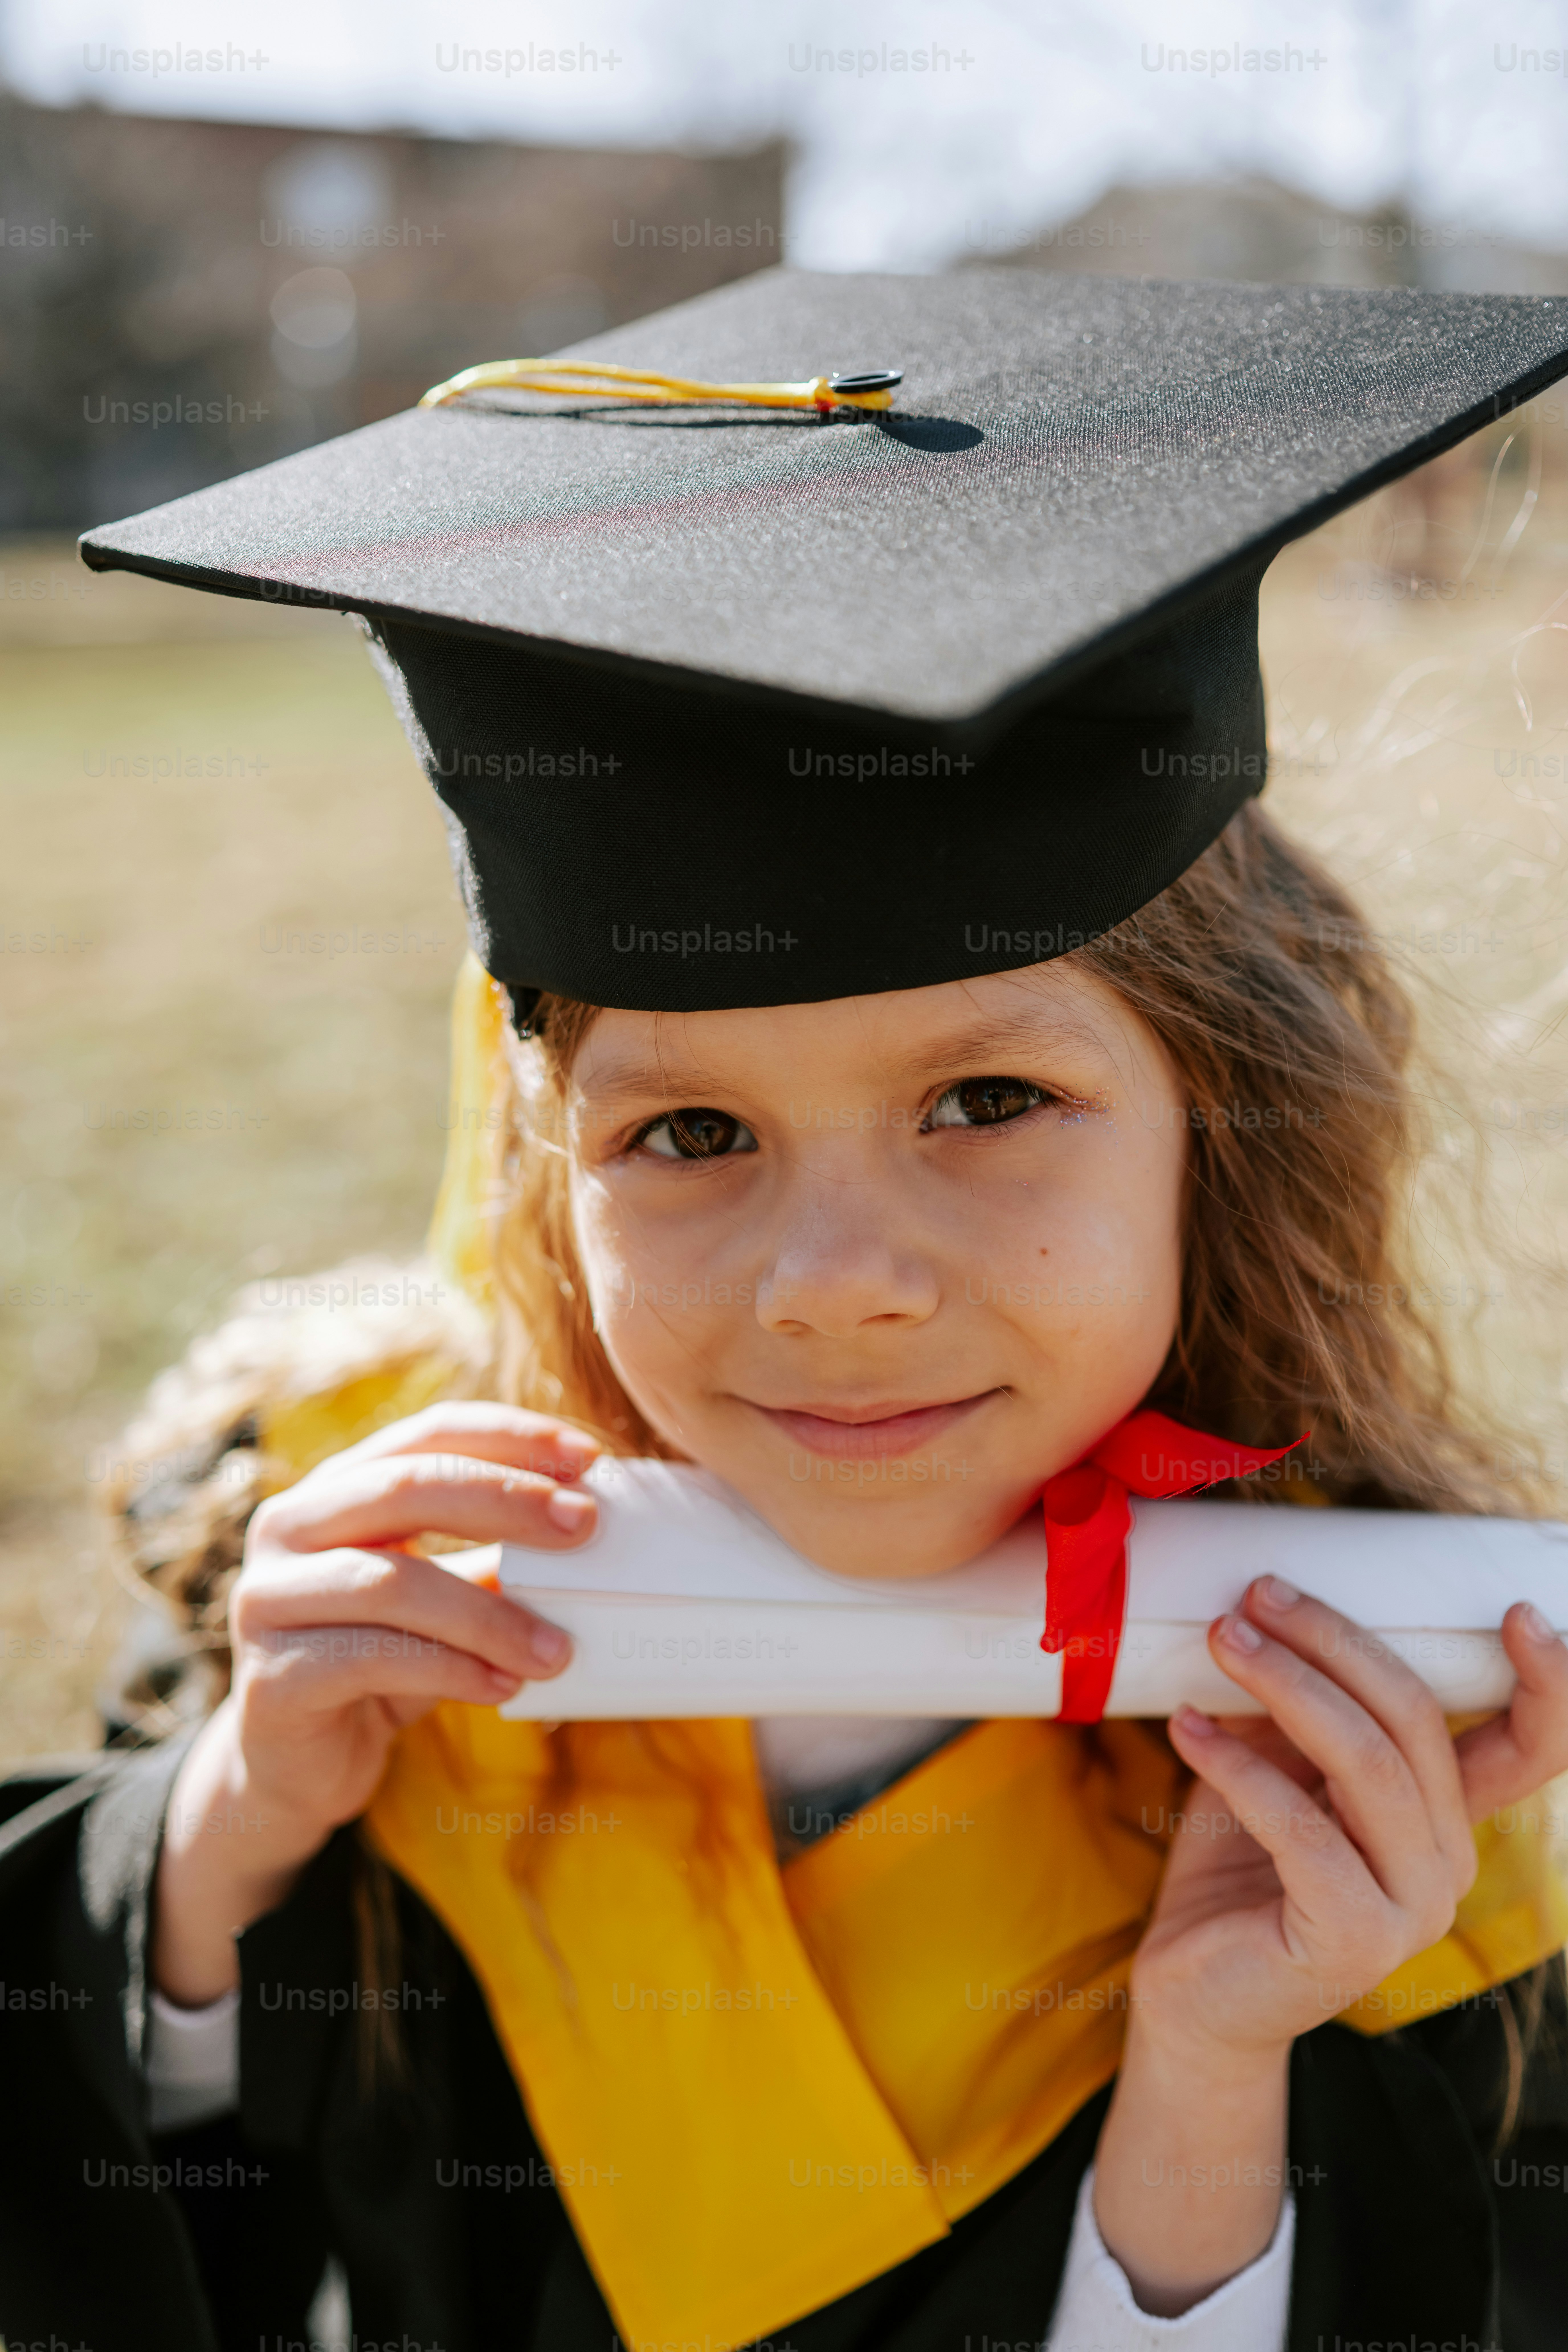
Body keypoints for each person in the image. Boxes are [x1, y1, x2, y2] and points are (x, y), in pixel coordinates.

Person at [5, 267, 1568, 2352]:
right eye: (689, 1134)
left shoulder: (1381, 1767)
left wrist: (1212, 2064)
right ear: (544, 1159)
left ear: (1228, 1124)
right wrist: (225, 1851)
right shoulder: (332, 1553)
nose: (836, 1286)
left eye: (990, 1099)